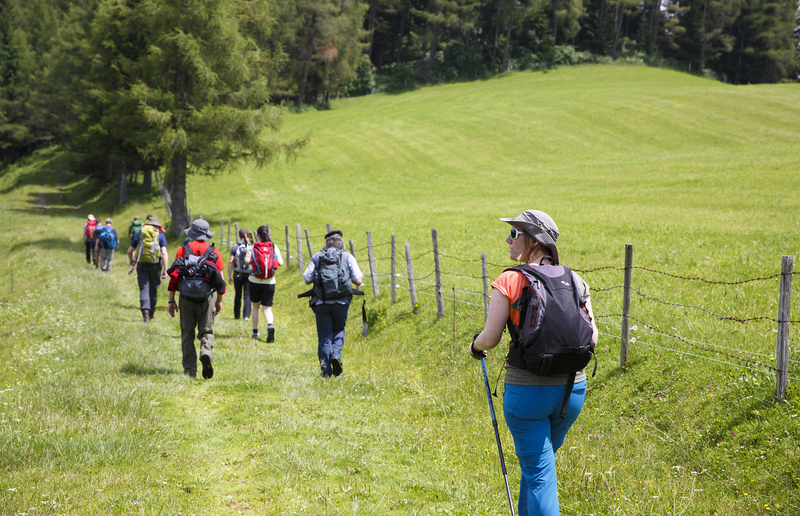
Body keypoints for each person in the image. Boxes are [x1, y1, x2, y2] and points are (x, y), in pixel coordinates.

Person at [468, 210, 598, 516]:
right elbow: (592, 338)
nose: (508, 239)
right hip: (572, 393)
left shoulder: (511, 279)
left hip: (527, 396)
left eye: (514, 233)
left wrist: (475, 346)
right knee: (540, 466)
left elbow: (490, 338)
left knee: (539, 474)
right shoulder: (575, 280)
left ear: (533, 240)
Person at [167, 219, 226, 379]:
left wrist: (171, 301)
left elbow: (174, 277)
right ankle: (205, 352)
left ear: (192, 233)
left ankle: (190, 371)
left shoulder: (183, 250)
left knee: (187, 334)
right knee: (206, 331)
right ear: (206, 235)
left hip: (186, 298)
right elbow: (220, 279)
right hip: (206, 297)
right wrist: (219, 301)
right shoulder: (214, 252)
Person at [302, 230, 364, 377]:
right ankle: (336, 355)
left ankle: (326, 371)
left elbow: (306, 279)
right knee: (339, 330)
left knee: (324, 336)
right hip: (341, 302)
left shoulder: (317, 256)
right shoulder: (347, 256)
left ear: (326, 243)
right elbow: (358, 281)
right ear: (341, 244)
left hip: (321, 302)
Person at [244, 226, 284, 342]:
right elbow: (280, 262)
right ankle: (270, 325)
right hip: (270, 281)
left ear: (257, 235)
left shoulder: (253, 247)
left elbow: (247, 261)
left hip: (254, 280)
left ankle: (255, 332)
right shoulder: (273, 247)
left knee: (256, 307)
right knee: (267, 308)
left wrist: (248, 253)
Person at [128, 215, 169, 323]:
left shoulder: (140, 233)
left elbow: (129, 250)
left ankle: (145, 314)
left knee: (144, 288)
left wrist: (131, 261)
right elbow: (164, 253)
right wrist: (166, 268)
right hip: (155, 265)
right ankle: (152, 313)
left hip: (142, 265)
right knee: (153, 288)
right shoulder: (160, 235)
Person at [228, 228, 253, 321]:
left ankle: (237, 315)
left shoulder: (235, 246)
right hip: (249, 274)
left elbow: (231, 261)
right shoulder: (251, 246)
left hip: (237, 274)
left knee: (238, 294)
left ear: (239, 236)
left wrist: (229, 275)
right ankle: (246, 316)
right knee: (247, 295)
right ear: (248, 235)